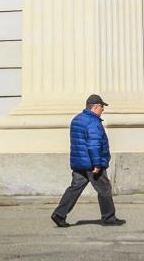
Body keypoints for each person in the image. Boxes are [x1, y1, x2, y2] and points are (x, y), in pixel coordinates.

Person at [50, 94, 122, 228]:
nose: (103, 110)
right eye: (101, 107)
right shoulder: (93, 122)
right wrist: (97, 164)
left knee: (75, 188)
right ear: (95, 107)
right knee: (104, 189)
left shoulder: (77, 119)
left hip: (79, 163)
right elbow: (93, 145)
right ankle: (109, 218)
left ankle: (59, 214)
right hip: (91, 164)